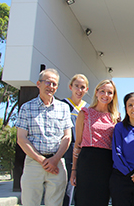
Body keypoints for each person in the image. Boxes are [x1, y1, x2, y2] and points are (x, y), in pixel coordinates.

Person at [16, 68, 73, 206]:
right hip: (33, 163)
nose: (51, 87)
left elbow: (67, 137)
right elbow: (21, 138)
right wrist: (42, 160)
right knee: (30, 202)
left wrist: (55, 159)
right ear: (38, 84)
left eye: (54, 84)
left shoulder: (64, 108)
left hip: (57, 163)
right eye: (47, 82)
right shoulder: (26, 108)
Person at [70, 79, 120, 205]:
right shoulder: (84, 113)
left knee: (101, 200)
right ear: (96, 93)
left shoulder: (116, 117)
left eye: (109, 92)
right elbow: (77, 144)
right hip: (87, 162)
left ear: (113, 96)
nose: (105, 95)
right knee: (83, 200)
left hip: (106, 164)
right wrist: (74, 170)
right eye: (102, 91)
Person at [61, 74, 89, 206]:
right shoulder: (62, 105)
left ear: (86, 89)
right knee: (68, 187)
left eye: (82, 87)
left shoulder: (88, 108)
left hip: (84, 152)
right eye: (76, 86)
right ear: (70, 87)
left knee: (82, 188)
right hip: (67, 151)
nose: (79, 90)